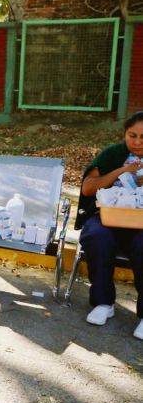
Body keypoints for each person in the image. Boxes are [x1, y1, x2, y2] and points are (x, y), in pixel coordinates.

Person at [77, 110, 143, 340]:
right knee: (96, 237)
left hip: (141, 222)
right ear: (124, 134)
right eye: (131, 135)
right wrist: (121, 171)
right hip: (108, 216)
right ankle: (103, 303)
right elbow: (88, 188)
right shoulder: (113, 154)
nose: (137, 142)